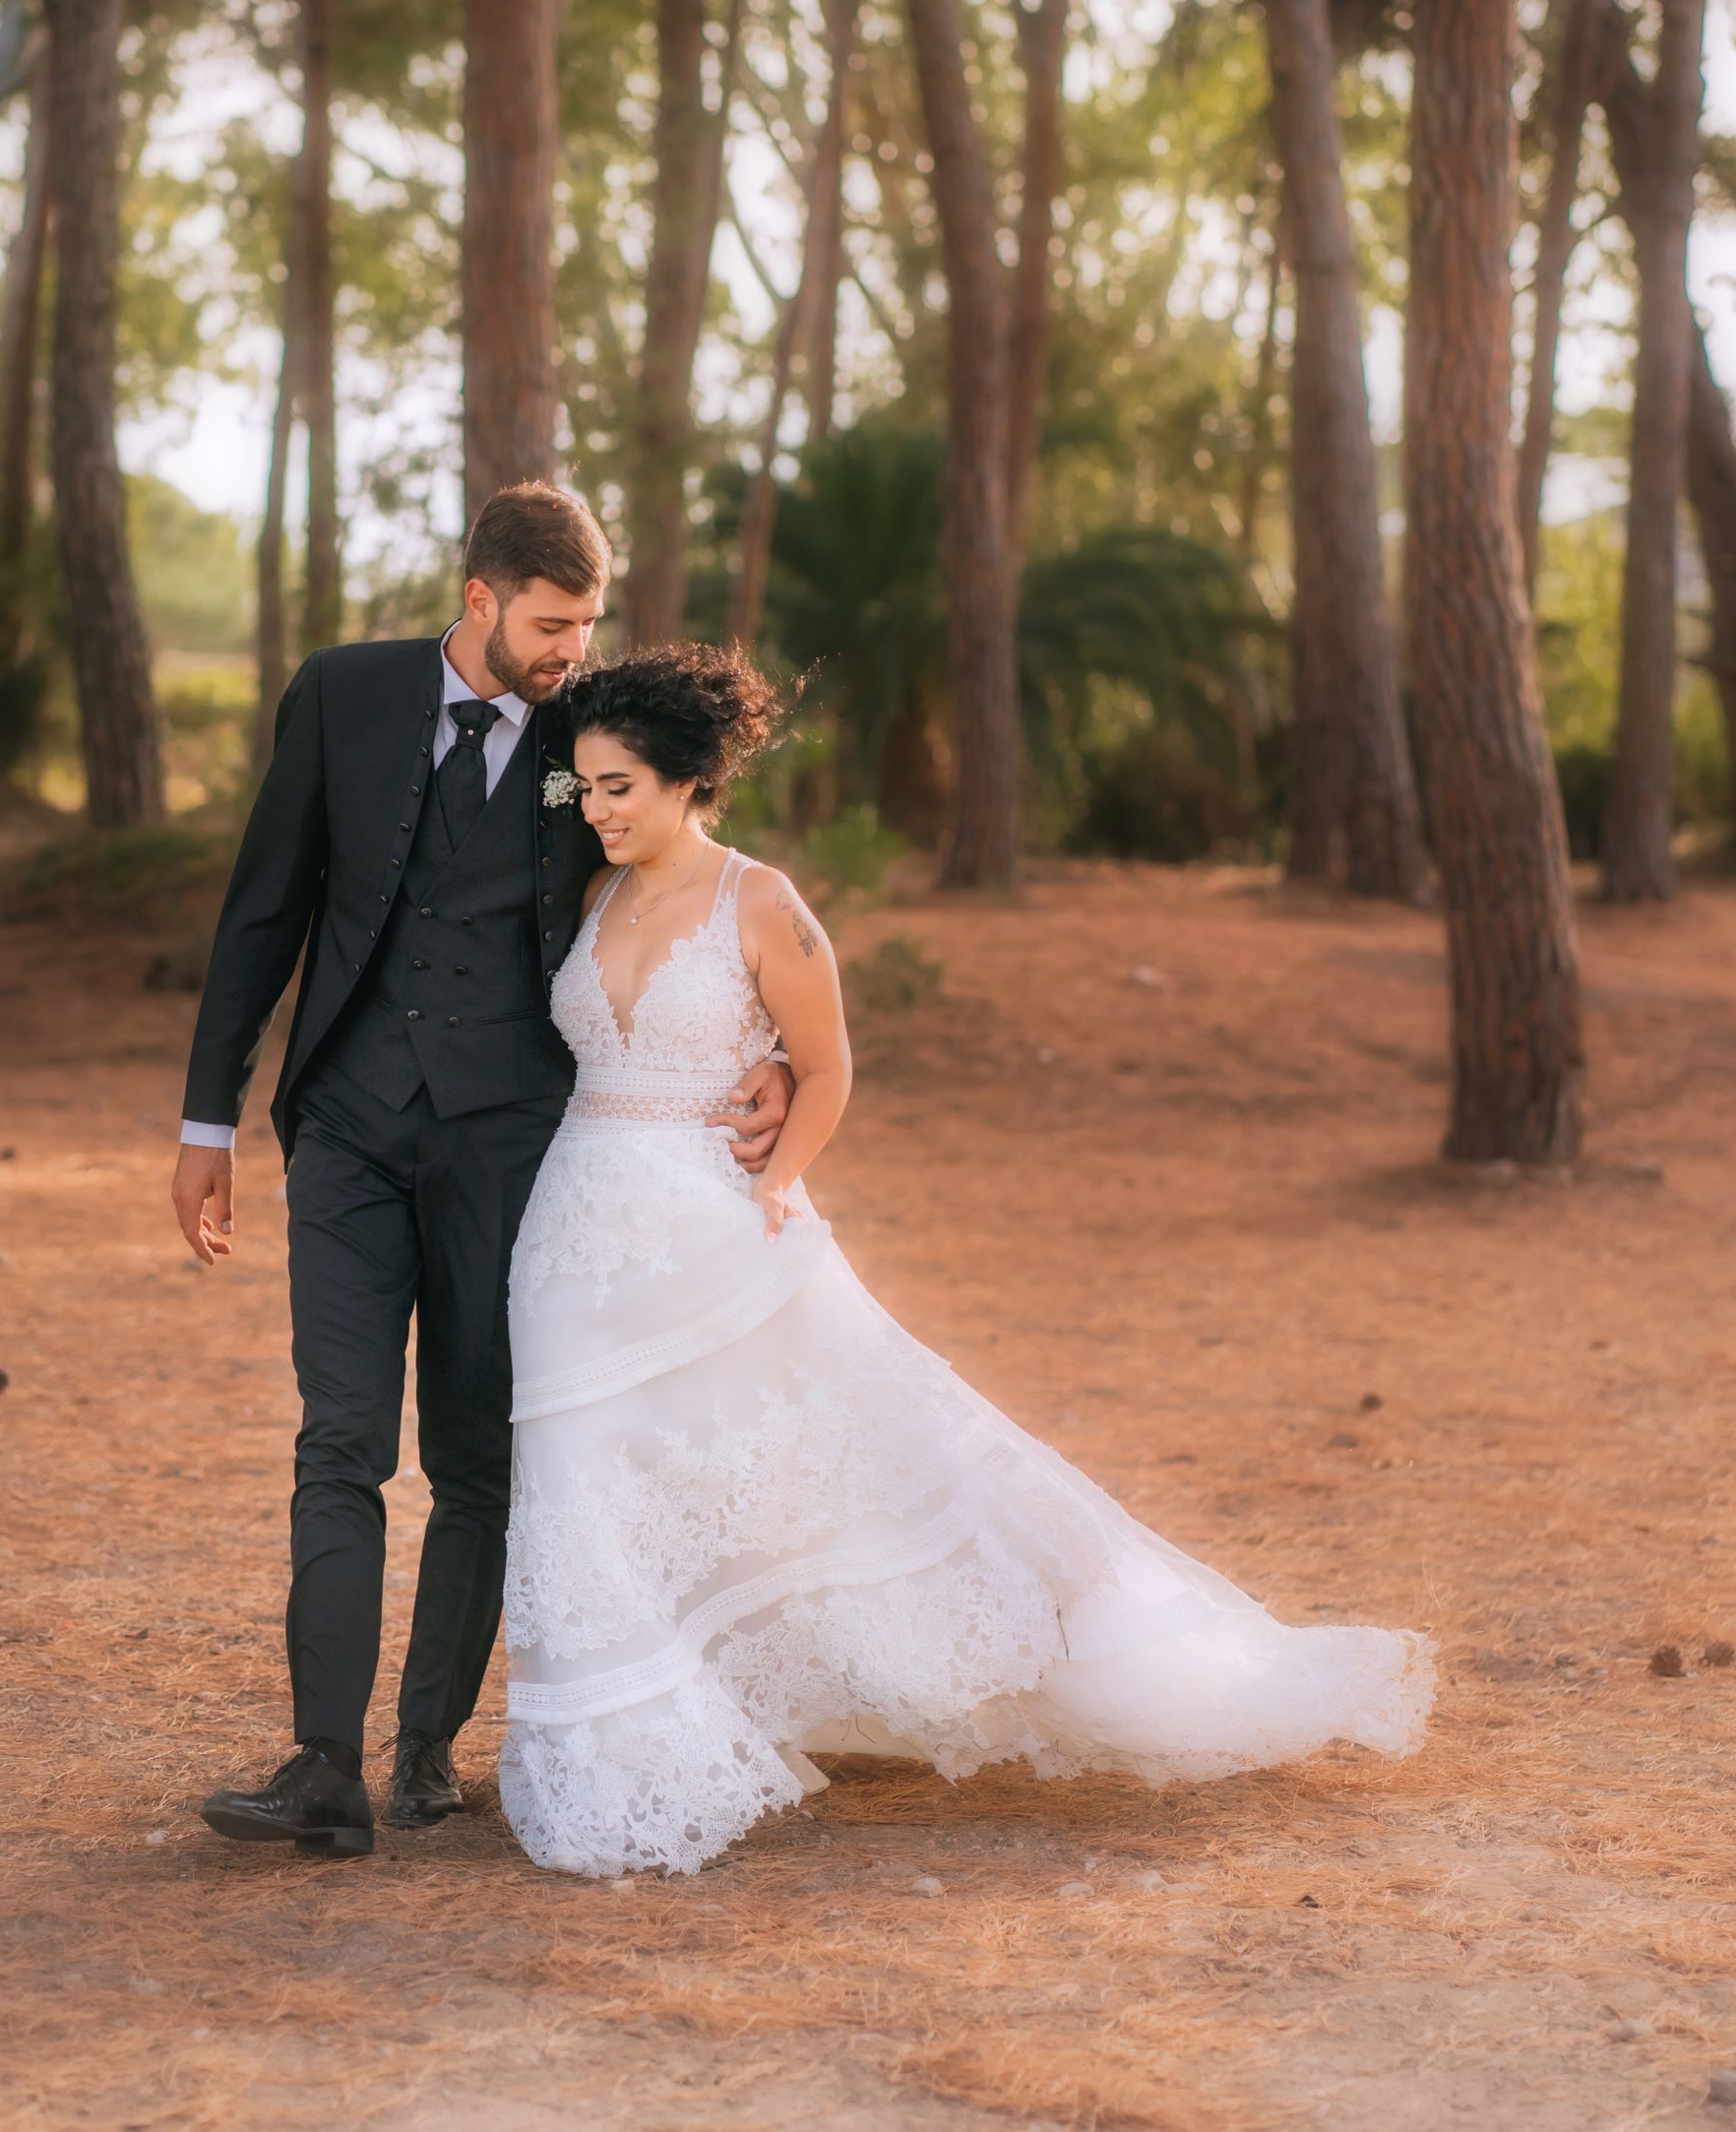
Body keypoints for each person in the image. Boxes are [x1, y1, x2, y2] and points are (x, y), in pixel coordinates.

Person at [499, 644, 1433, 1879]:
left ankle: (1014, 1643)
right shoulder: (592, 894)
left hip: (719, 1242)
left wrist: (774, 1182)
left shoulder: (762, 901)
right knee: (589, 1488)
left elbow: (826, 1067)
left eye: (619, 786)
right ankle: (635, 1736)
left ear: (689, 782)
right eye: (588, 787)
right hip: (573, 1241)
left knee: (853, 1462)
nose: (598, 809)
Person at [168, 485, 789, 1855]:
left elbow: (695, 877)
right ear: (480, 598)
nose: (571, 648)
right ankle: (321, 1765)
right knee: (339, 1439)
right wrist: (208, 1121)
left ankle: (424, 1752)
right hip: (345, 1130)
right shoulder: (342, 697)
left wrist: (779, 1049)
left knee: (472, 1457)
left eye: (586, 624)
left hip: (513, 1146)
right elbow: (264, 906)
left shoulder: (590, 736)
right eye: (552, 622)